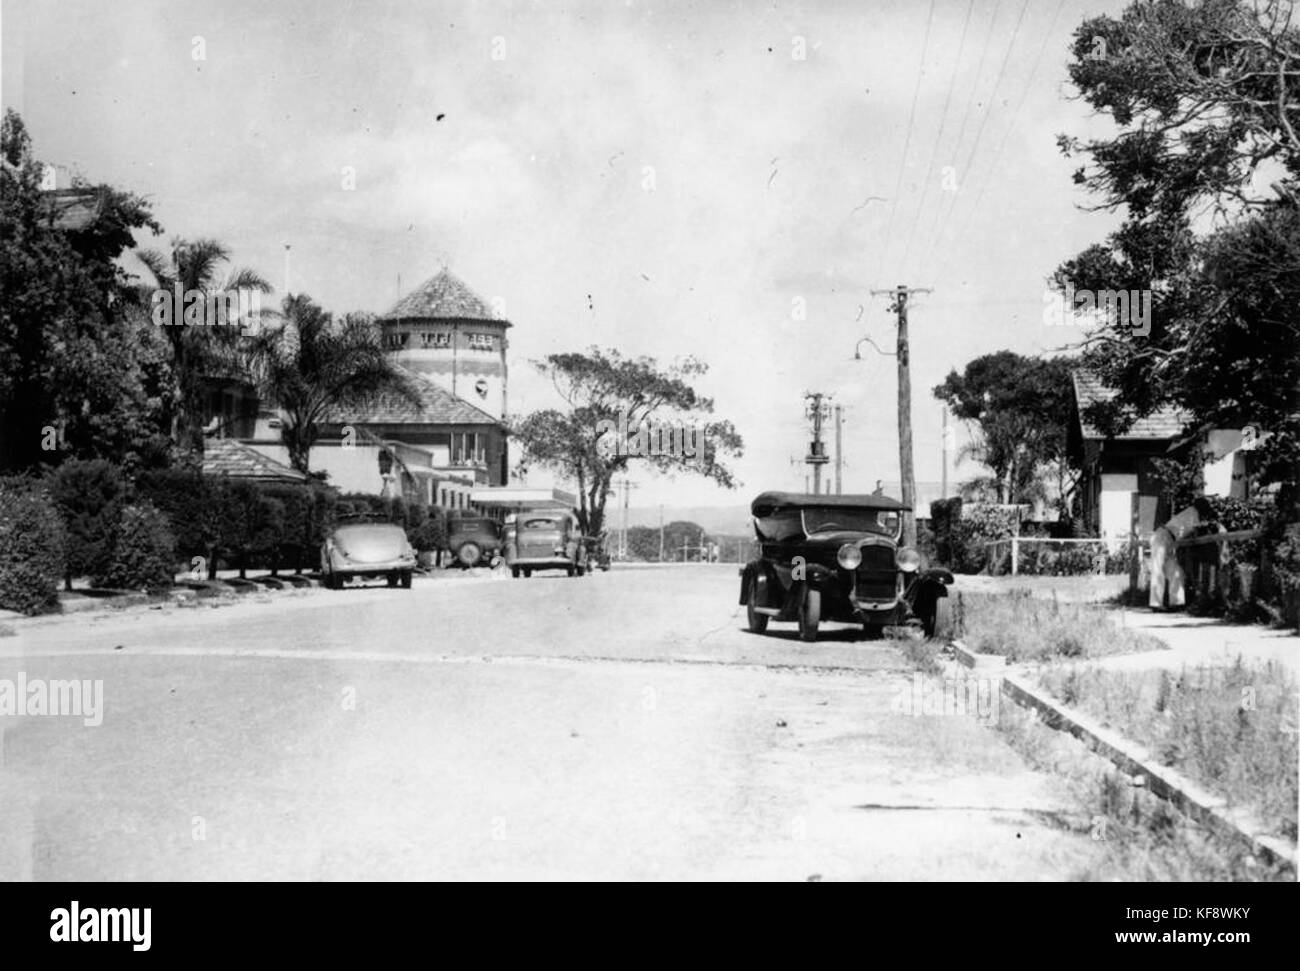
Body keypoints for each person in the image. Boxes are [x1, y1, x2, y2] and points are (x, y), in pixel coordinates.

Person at [1149, 498, 1214, 610]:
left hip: (1170, 540)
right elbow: (1196, 531)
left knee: (1176, 571)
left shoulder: (1193, 514)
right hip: (1162, 536)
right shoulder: (1192, 513)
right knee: (1158, 569)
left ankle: (1176, 603)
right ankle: (1156, 604)